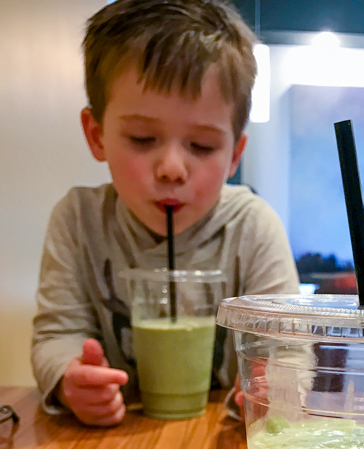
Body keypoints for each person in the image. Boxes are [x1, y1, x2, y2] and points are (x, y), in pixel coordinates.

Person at [31, 0, 298, 427]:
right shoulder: (78, 219)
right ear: (97, 135)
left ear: (235, 155)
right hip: (110, 446)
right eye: (142, 138)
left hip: (220, 439)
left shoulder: (253, 226)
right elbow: (57, 335)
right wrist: (69, 378)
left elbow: (288, 349)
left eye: (202, 146)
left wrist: (273, 387)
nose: (172, 169)